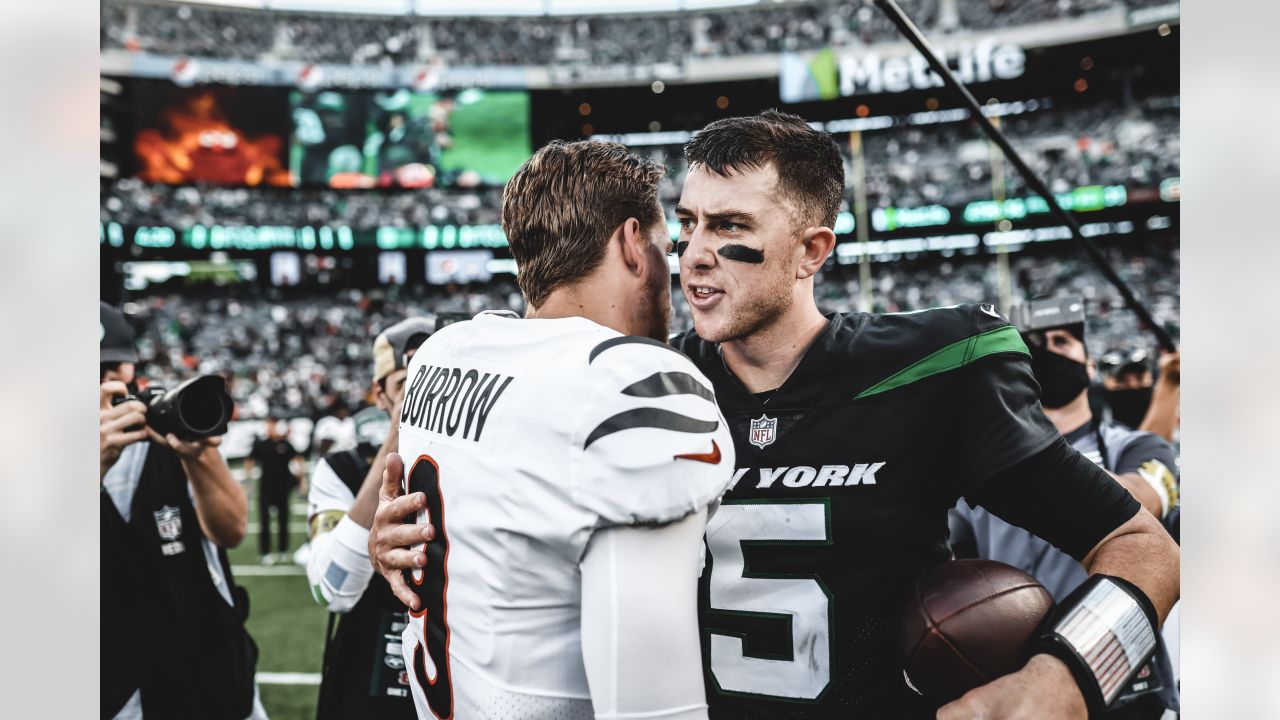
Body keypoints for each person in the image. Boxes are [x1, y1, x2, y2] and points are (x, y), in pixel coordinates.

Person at [371, 112, 1180, 720]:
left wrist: (1068, 677)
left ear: (811, 251)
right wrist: (398, 539)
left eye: (730, 228)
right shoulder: (639, 387)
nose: (692, 254)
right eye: (685, 224)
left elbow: (1144, 549)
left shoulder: (935, 367)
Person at [373, 140, 736, 719]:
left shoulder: (443, 353)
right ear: (631, 242)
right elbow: (653, 705)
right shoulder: (627, 378)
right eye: (667, 247)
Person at [949, 295, 1180, 718]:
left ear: (1089, 366)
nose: (1050, 349)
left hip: (1124, 673)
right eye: (1037, 342)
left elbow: (1143, 500)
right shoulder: (977, 468)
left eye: (1063, 341)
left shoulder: (1138, 446)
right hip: (1020, 679)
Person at [99, 302, 265, 719]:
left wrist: (199, 457)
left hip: (210, 681)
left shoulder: (161, 429)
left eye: (112, 367)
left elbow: (231, 529)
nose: (104, 380)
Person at [306, 317, 433, 720]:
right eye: (407, 384)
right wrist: (400, 432)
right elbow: (333, 589)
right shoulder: (342, 468)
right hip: (369, 664)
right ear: (380, 395)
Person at [243, 415, 305, 564]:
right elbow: (249, 460)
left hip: (283, 488)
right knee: (264, 521)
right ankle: (265, 552)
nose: (269, 427)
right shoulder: (262, 444)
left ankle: (283, 550)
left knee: (284, 520)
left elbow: (298, 459)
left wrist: (302, 480)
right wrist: (248, 479)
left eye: (272, 424)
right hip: (266, 489)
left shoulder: (285, 444)